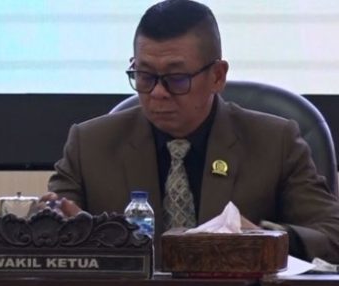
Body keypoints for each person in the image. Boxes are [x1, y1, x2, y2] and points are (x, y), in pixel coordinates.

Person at [45, 0, 339, 262]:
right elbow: (46, 226)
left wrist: (264, 240)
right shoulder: (90, 144)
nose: (158, 93)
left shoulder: (275, 142)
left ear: (217, 76)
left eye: (176, 78)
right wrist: (70, 231)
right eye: (145, 76)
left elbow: (332, 235)